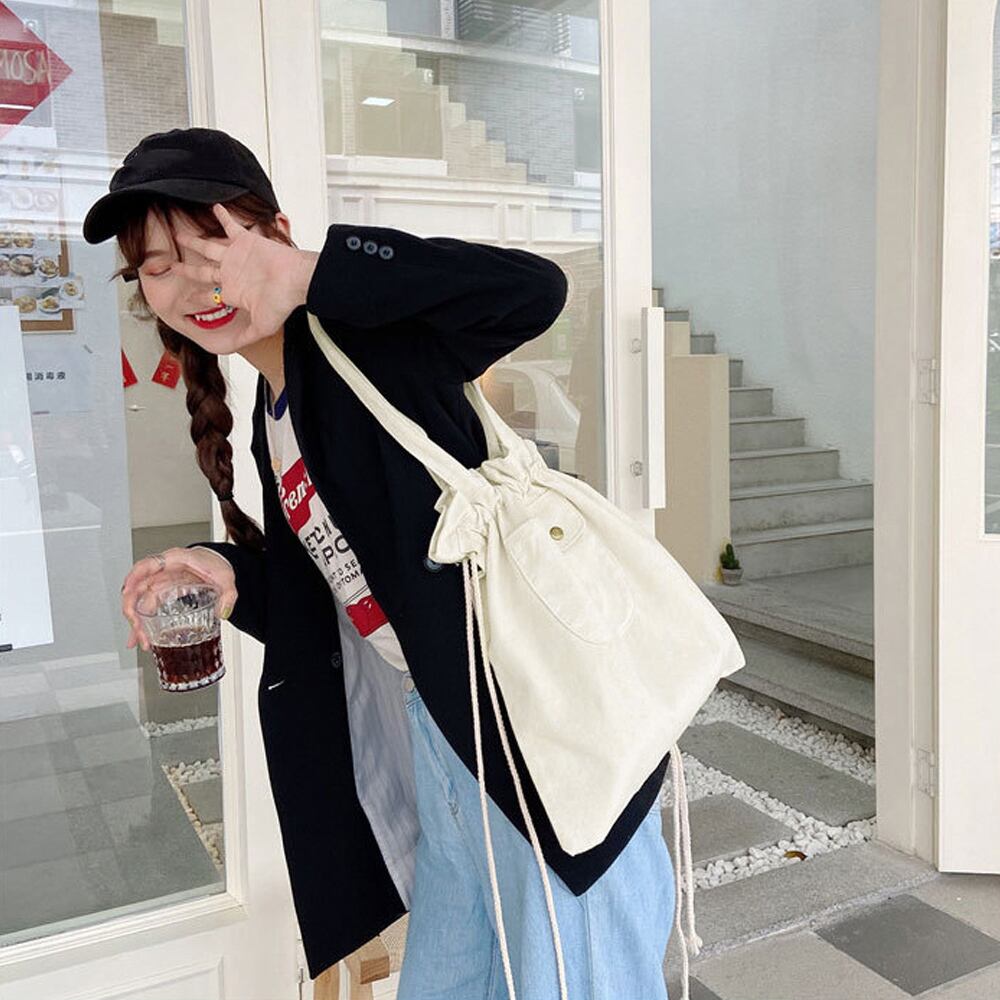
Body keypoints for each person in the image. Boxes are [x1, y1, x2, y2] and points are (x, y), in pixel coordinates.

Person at [89, 127, 676, 999]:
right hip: (442, 737)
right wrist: (229, 575)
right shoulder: (276, 409)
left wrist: (315, 273)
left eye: (213, 246)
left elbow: (530, 291)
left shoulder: (370, 347)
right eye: (157, 268)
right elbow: (335, 594)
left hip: (536, 734)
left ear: (275, 234)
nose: (195, 283)